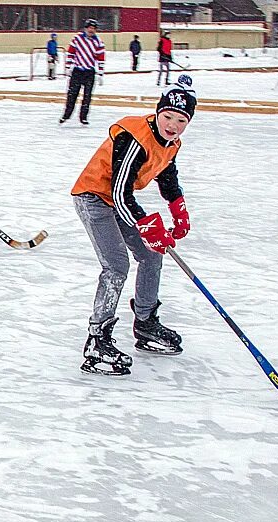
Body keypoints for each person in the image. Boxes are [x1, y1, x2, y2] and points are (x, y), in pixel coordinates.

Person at [71, 75, 197, 375]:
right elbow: (119, 191)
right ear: (158, 112)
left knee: (152, 255)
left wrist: (179, 211)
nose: (173, 125)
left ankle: (146, 323)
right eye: (168, 116)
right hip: (93, 197)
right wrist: (146, 225)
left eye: (181, 120)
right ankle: (97, 339)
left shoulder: (171, 143)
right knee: (116, 266)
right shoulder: (135, 136)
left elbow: (168, 178)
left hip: (117, 201)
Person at [60, 19, 105, 125]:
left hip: (89, 72)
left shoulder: (98, 42)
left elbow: (101, 58)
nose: (91, 30)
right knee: (72, 94)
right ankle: (66, 115)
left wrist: (100, 73)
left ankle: (83, 117)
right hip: (77, 71)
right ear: (86, 28)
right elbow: (71, 53)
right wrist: (68, 67)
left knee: (87, 96)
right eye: (90, 28)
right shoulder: (77, 39)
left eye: (93, 28)